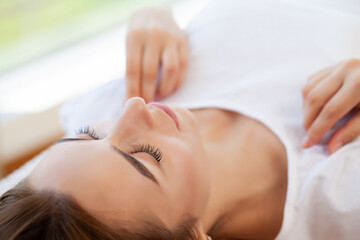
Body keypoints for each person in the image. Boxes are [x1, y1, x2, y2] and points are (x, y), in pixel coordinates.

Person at [1, 0, 360, 239]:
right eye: (145, 155)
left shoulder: (107, 105)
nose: (134, 108)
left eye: (89, 135)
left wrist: (154, 13)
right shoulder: (342, 196)